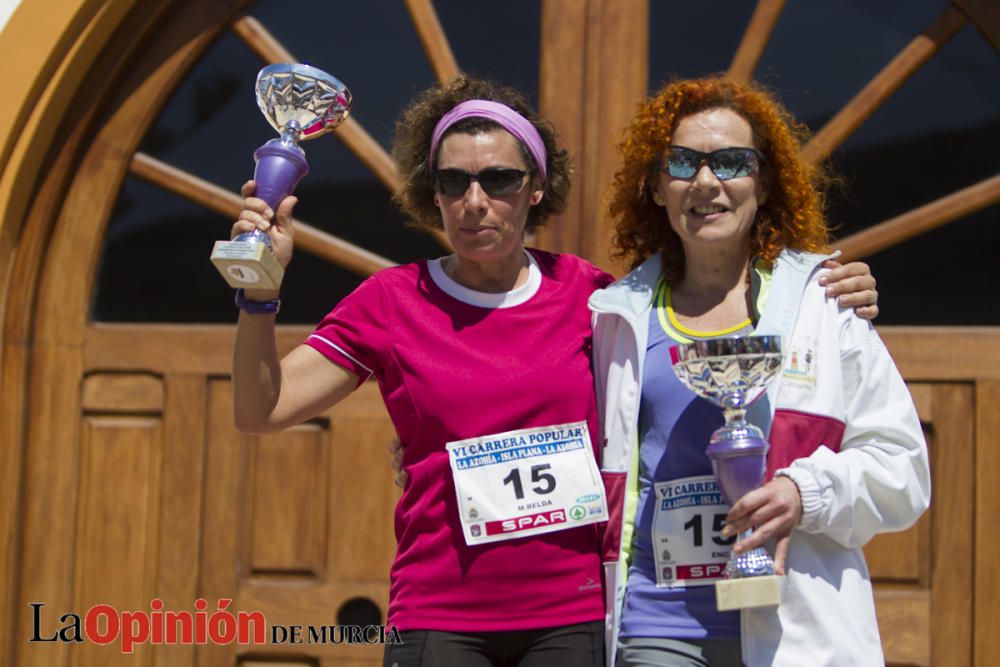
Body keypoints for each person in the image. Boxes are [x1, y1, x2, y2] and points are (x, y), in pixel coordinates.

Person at [230, 75, 879, 667]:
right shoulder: (391, 301)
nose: (476, 201)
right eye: (453, 183)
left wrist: (821, 286)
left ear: (536, 188)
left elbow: (694, 361)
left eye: (500, 180)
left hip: (572, 617)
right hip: (437, 612)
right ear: (435, 196)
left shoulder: (597, 299)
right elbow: (263, 408)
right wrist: (259, 293)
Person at [589, 76, 930, 667]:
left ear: (764, 182)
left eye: (730, 162)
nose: (705, 181)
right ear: (654, 186)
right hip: (655, 620)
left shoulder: (825, 304)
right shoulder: (613, 317)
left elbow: (904, 470)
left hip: (795, 633)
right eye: (683, 162)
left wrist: (805, 493)